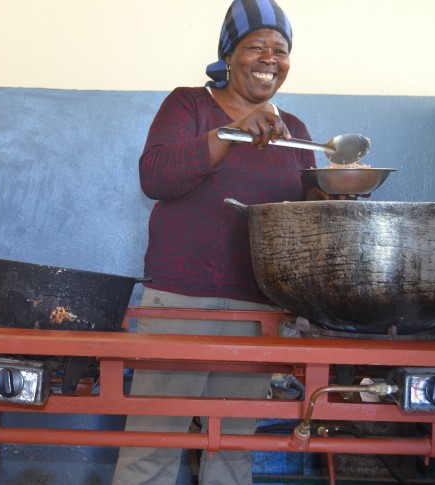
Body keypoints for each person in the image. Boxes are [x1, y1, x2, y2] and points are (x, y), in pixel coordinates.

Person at [112, 1, 319, 484]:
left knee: (232, 447)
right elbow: (156, 177)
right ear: (230, 54)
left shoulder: (297, 132)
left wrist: (335, 192)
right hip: (182, 299)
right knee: (153, 441)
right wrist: (230, 132)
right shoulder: (189, 105)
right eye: (257, 47)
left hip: (257, 307)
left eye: (281, 50)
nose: (271, 58)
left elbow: (308, 220)